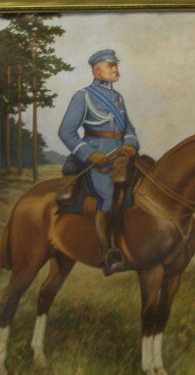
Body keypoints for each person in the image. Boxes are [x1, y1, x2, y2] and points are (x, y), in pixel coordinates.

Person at [58, 49, 140, 275]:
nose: (115, 69)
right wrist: (89, 154)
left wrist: (130, 144)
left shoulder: (118, 97)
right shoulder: (83, 96)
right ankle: (109, 254)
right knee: (107, 194)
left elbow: (128, 129)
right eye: (110, 66)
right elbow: (66, 132)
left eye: (116, 65)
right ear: (96, 71)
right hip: (97, 157)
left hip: (121, 155)